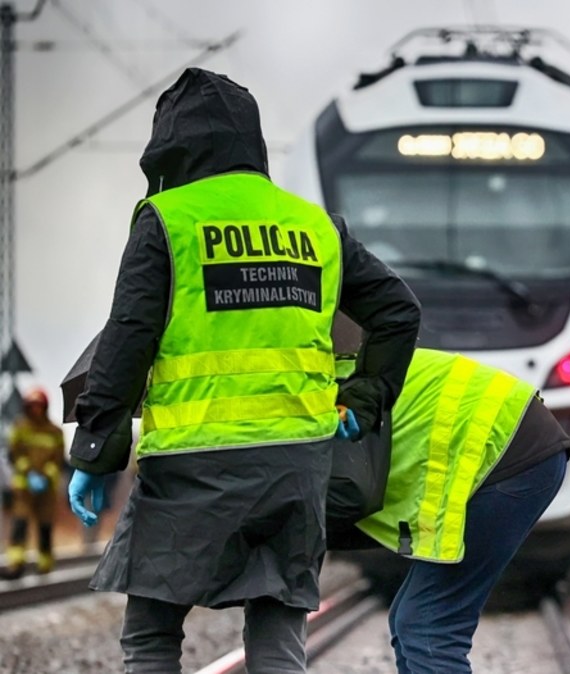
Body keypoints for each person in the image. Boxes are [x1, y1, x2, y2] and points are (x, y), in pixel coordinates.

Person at [64, 68, 421, 674]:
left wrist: (97, 451)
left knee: (152, 636)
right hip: (296, 465)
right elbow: (398, 312)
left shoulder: (168, 219)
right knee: (279, 640)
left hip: (190, 464)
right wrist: (361, 405)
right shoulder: (315, 227)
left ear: (171, 146)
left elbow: (128, 338)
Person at [337, 349, 570, 674]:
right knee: (413, 620)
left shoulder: (310, 407)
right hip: (515, 440)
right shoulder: (319, 384)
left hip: (508, 452)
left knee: (428, 625)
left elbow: (338, 506)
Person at [1, 388, 65, 579]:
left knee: (45, 526)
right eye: (32, 406)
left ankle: (45, 563)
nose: (36, 410)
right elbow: (14, 454)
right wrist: (29, 472)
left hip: (47, 488)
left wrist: (46, 475)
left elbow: (58, 458)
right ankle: (16, 562)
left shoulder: (55, 431)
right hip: (23, 487)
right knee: (20, 523)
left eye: (39, 406)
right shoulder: (20, 428)